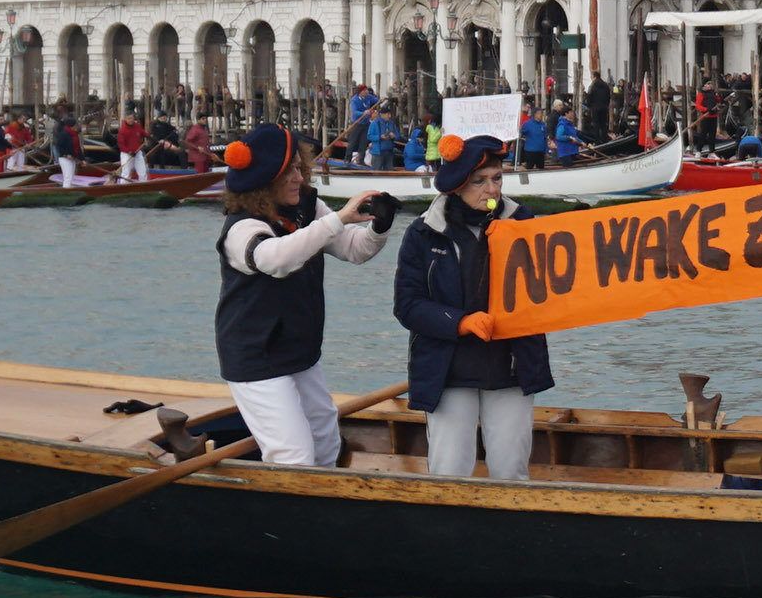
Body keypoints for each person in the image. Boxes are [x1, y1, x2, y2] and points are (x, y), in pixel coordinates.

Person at [211, 124, 396, 468]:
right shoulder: (241, 228)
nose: (300, 177)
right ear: (266, 180)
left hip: (299, 350)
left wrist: (379, 227)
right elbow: (276, 259)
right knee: (293, 455)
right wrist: (338, 220)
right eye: (290, 171)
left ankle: (323, 512)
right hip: (255, 357)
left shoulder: (308, 209)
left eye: (300, 167)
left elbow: (355, 249)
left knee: (326, 441)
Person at [394, 132, 553, 479]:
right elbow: (407, 305)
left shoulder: (526, 224)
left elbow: (554, 288)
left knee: (511, 471)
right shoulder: (423, 233)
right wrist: (459, 322)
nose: (492, 190)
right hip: (447, 369)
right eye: (480, 181)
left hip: (511, 364)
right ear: (457, 186)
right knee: (449, 470)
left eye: (497, 179)